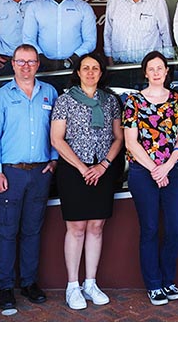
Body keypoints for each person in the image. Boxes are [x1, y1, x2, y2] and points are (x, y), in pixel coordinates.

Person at [0, 44, 59, 311]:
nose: (26, 66)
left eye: (31, 61)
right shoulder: (1, 97)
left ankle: (28, 283)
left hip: (40, 173)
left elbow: (55, 130)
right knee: (6, 231)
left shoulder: (49, 93)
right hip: (11, 173)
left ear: (38, 64)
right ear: (13, 64)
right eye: (21, 61)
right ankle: (5, 288)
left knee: (32, 230)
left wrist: (53, 158)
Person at [50, 53, 123, 310]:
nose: (90, 72)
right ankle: (73, 285)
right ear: (78, 72)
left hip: (102, 171)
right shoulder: (65, 101)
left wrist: (103, 166)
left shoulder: (111, 101)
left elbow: (118, 137)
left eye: (95, 68)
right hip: (74, 170)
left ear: (101, 72)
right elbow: (57, 139)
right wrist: (83, 167)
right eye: (85, 68)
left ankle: (90, 283)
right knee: (77, 227)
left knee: (96, 227)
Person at [122, 51, 178, 306]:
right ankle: (153, 284)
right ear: (145, 72)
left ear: (167, 71)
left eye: (160, 67)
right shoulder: (134, 101)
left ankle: (167, 279)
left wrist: (167, 166)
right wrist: (154, 169)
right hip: (143, 171)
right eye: (152, 68)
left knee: (176, 228)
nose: (157, 72)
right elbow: (131, 140)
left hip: (171, 169)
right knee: (149, 229)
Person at [23, 0, 97, 72]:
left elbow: (90, 41)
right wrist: (44, 60)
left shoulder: (84, 8)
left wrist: (71, 60)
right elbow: (28, 39)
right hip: (42, 67)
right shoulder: (35, 7)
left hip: (75, 67)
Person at [104, 0, 173, 64]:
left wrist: (168, 60)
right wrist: (110, 61)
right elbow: (108, 33)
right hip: (119, 65)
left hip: (149, 67)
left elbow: (165, 32)